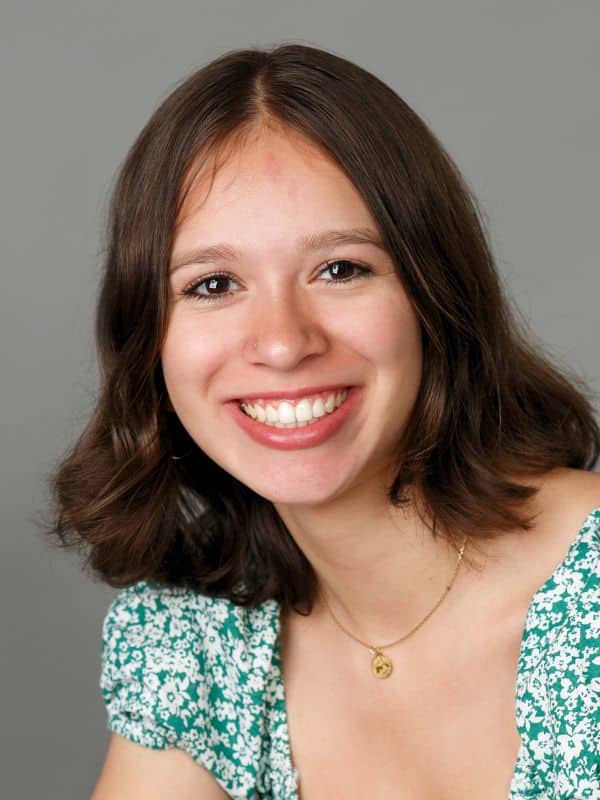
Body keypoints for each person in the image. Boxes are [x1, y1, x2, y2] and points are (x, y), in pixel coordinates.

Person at [46, 43, 600, 800]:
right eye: (213, 284)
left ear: (435, 295)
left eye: (340, 269)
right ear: (150, 344)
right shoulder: (199, 651)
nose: (281, 342)